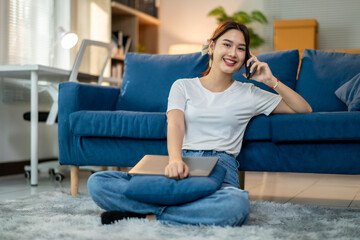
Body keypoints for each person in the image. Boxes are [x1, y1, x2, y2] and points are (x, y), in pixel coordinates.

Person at [87, 20, 312, 227]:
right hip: (183, 163)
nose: (233, 53)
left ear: (246, 56)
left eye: (241, 48)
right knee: (98, 182)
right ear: (212, 47)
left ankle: (150, 215)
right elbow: (175, 124)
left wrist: (271, 81)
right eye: (227, 44)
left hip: (222, 166)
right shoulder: (183, 86)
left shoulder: (250, 93)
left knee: (236, 205)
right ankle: (183, 212)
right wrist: (175, 160)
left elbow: (303, 109)